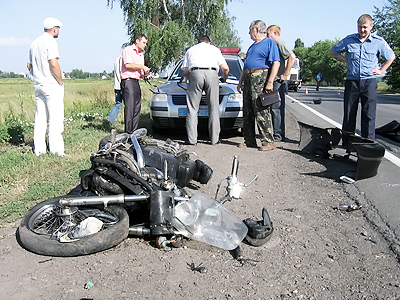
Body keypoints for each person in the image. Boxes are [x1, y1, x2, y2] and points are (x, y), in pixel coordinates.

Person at [330, 14, 395, 140]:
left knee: (369, 115)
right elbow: (334, 51)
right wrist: (346, 61)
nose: (362, 30)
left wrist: (381, 70)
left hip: (369, 82)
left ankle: (368, 145)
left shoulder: (378, 42)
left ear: (371, 26)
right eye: (360, 27)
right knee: (349, 114)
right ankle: (348, 144)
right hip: (352, 81)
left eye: (365, 27)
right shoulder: (349, 40)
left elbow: (391, 57)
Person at [237, 20, 280, 151]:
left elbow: (276, 63)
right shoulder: (252, 46)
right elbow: (246, 66)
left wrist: (270, 81)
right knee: (248, 110)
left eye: (250, 30)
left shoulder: (269, 43)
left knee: (261, 109)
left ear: (256, 30)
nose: (249, 33)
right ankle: (249, 140)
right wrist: (240, 81)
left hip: (260, 76)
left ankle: (268, 141)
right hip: (249, 77)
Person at [27, 17, 65, 156]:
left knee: (40, 118)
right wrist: (59, 80)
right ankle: (56, 150)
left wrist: (36, 76)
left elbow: (29, 65)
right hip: (50, 83)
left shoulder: (34, 43)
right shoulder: (51, 42)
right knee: (55, 117)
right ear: (55, 29)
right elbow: (53, 63)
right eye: (58, 29)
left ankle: (39, 149)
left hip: (38, 84)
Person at [182, 35, 229, 145]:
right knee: (213, 107)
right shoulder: (215, 50)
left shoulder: (191, 50)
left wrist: (193, 78)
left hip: (195, 72)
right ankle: (214, 139)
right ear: (209, 42)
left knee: (192, 109)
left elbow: (185, 71)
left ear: (198, 42)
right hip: (212, 73)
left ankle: (192, 140)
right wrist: (224, 78)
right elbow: (226, 68)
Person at [266, 25, 296, 142]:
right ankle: (278, 133)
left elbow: (292, 56)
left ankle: (278, 134)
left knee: (276, 108)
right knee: (274, 107)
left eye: (269, 34)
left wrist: (286, 73)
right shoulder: (274, 44)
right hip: (276, 79)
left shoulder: (280, 43)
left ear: (275, 34)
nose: (268, 36)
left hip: (278, 80)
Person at [121, 34, 151, 134]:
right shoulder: (128, 50)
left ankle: (133, 131)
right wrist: (142, 67)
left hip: (136, 81)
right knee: (130, 107)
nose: (145, 45)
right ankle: (128, 132)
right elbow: (128, 65)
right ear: (137, 41)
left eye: (146, 43)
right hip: (128, 81)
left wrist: (145, 75)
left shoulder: (141, 54)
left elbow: (139, 71)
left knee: (137, 107)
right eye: (144, 43)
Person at [106, 56, 123, 123]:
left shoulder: (117, 59)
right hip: (123, 85)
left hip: (117, 85)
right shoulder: (125, 60)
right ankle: (128, 121)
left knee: (118, 103)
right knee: (128, 105)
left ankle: (110, 119)